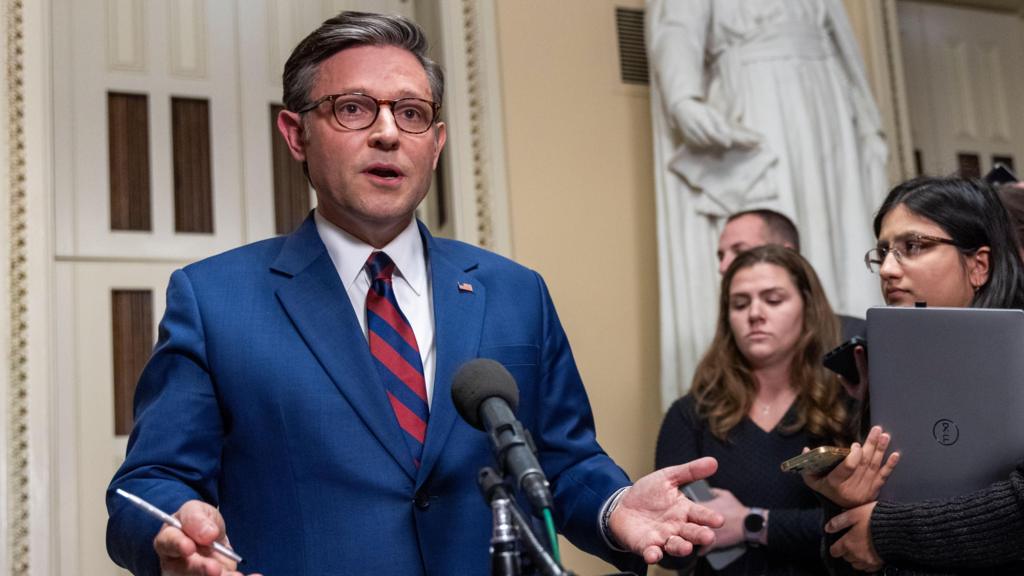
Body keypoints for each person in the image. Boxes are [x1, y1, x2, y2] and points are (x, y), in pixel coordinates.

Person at [105, 11, 725, 576]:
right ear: (296, 135)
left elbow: (562, 463)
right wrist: (175, 533)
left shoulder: (515, 293)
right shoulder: (216, 301)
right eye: (353, 108)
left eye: (411, 113)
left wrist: (616, 505)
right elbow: (149, 482)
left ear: (437, 142)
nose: (387, 133)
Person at [646, 0, 886, 406]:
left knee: (837, 231)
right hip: (756, 94)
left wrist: (867, 126)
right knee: (772, 229)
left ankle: (847, 378)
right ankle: (784, 386)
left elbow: (842, 44)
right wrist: (683, 97)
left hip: (825, 100)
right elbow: (676, 26)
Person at [809, 176, 1024, 573]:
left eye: (914, 246)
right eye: (883, 253)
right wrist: (845, 501)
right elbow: (848, 553)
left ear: (978, 265)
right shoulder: (889, 364)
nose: (888, 269)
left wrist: (885, 530)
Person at [656, 245, 854, 575]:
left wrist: (752, 523)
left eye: (773, 300)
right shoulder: (690, 415)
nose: (755, 314)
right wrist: (685, 529)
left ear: (807, 306)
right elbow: (668, 549)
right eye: (740, 303)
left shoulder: (845, 402)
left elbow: (864, 526)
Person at [717, 209, 866, 340]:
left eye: (741, 252)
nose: (723, 267)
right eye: (740, 305)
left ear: (787, 254)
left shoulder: (856, 339)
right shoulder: (723, 355)